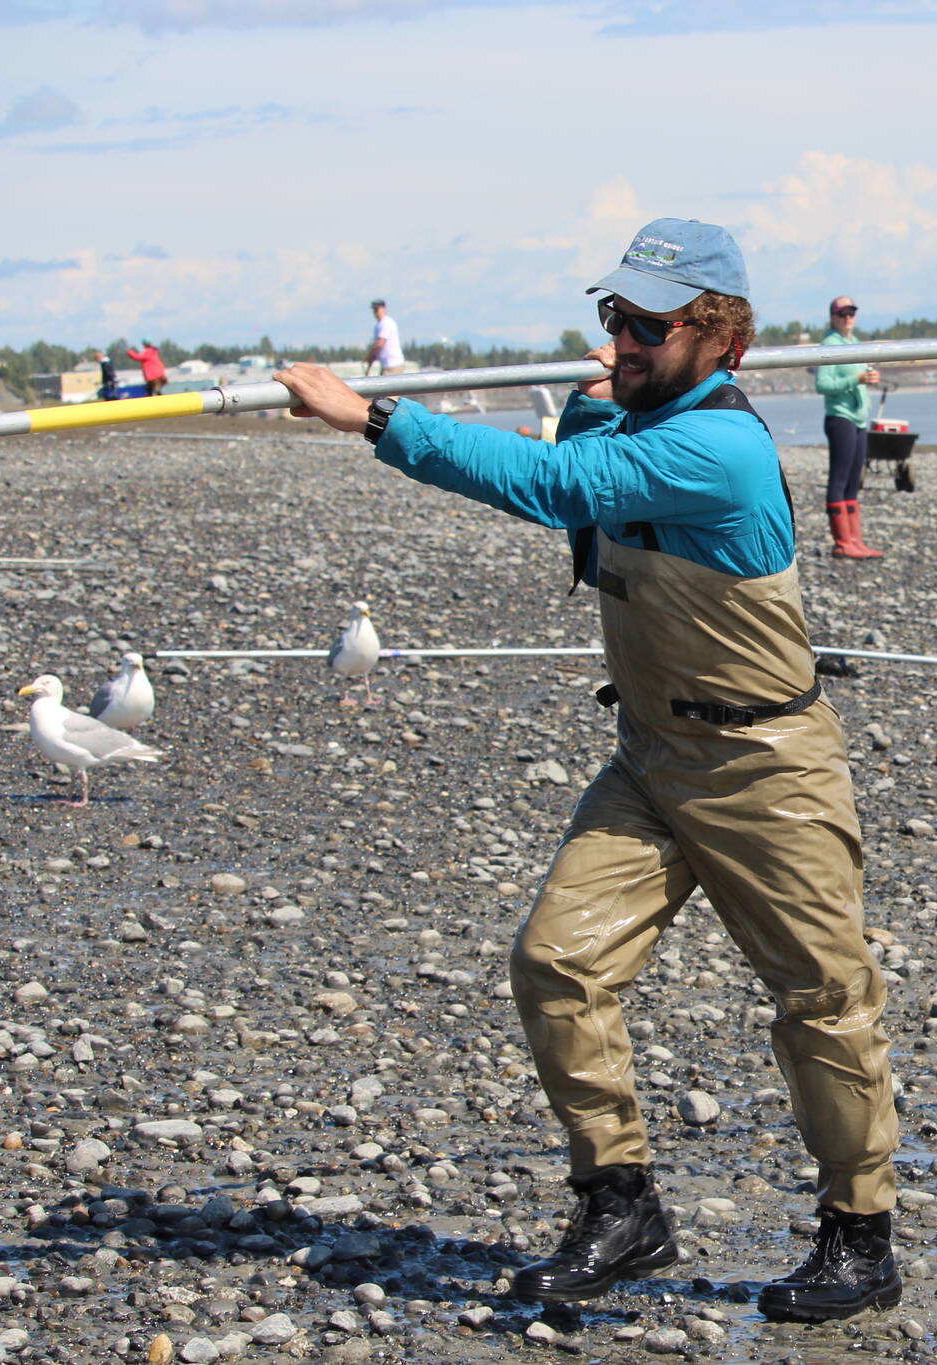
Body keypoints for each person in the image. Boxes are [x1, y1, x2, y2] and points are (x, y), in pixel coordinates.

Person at [271, 218, 901, 1325]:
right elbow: (581, 457)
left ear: (723, 339)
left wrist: (369, 415)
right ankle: (621, 1203)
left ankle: (860, 1236)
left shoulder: (722, 449)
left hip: (767, 769)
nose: (623, 340)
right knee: (555, 964)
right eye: (612, 319)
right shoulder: (631, 410)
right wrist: (605, 385)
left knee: (823, 1001)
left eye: (648, 325)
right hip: (654, 756)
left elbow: (555, 487)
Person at [814, 296, 883, 558]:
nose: (847, 318)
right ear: (832, 317)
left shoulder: (853, 343)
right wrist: (857, 379)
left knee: (855, 480)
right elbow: (823, 385)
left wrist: (869, 379)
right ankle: (842, 542)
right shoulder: (829, 344)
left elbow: (860, 377)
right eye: (842, 313)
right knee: (839, 479)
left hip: (859, 418)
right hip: (839, 417)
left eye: (851, 312)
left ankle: (856, 540)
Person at [366, 298, 406, 375]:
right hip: (388, 365)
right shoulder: (380, 324)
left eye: (377, 309)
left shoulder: (386, 323)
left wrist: (369, 357)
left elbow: (379, 344)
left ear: (384, 308)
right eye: (374, 309)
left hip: (393, 365)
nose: (375, 311)